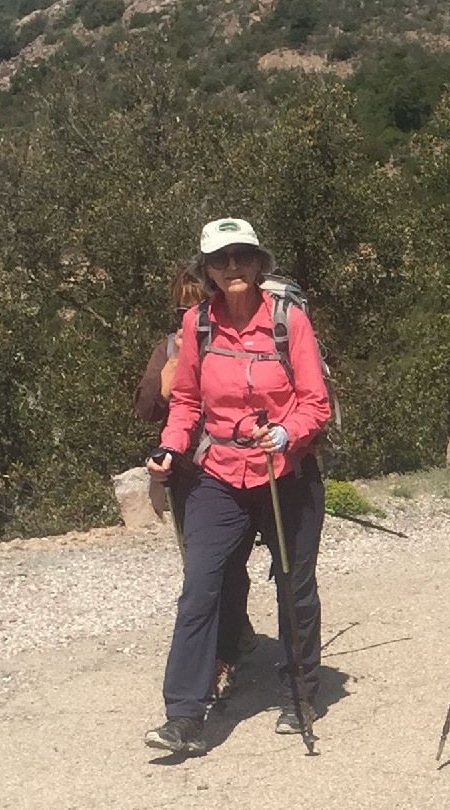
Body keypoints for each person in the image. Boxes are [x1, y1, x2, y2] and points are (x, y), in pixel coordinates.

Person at [144, 220, 332, 757]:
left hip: (285, 472)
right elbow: (186, 401)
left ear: (258, 263)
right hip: (219, 474)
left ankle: (300, 695)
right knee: (200, 586)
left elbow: (314, 402)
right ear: (205, 270)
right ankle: (184, 716)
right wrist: (171, 447)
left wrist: (287, 432)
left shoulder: (288, 321)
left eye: (242, 256)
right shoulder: (198, 324)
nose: (232, 267)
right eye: (220, 259)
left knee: (293, 585)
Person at [135, 263, 257, 709]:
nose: (190, 315)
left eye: (198, 304)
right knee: (202, 571)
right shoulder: (170, 347)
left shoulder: (238, 338)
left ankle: (230, 646)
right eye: (181, 309)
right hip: (189, 473)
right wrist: (169, 372)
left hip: (238, 467)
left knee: (230, 565)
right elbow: (146, 409)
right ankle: (219, 655)